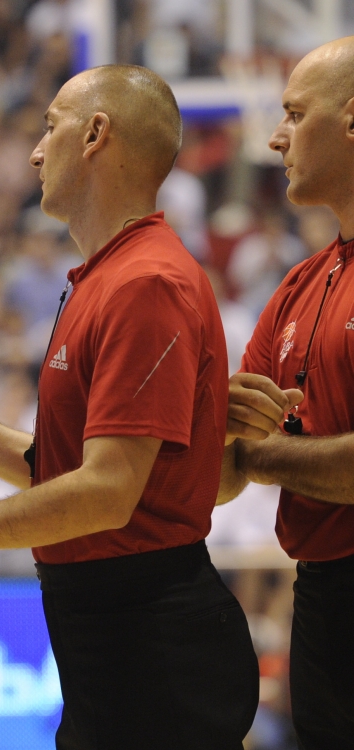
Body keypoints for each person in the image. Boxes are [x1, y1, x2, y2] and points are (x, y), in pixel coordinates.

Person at [0, 64, 259, 749]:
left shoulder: (144, 280)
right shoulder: (105, 277)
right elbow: (63, 470)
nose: (34, 152)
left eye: (50, 127)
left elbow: (105, 490)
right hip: (108, 624)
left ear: (96, 135)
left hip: (148, 626)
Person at [216, 35, 354, 750]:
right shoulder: (299, 284)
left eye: (296, 115)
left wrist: (258, 455)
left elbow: (250, 459)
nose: (275, 137)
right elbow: (223, 474)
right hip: (321, 595)